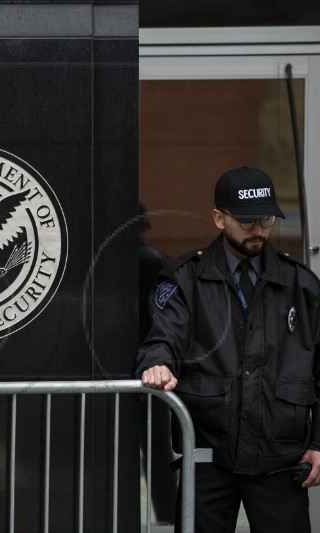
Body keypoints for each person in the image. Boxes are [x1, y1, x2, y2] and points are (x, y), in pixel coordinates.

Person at [136, 167, 320, 533]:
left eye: (266, 218)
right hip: (207, 455)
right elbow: (162, 337)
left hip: (281, 458)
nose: (259, 229)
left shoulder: (300, 284)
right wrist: (157, 363)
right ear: (219, 218)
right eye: (248, 220)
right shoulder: (186, 278)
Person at [137, 202, 177, 525]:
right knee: (157, 458)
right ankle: (168, 521)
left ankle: (167, 520)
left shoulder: (147, 262)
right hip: (150, 376)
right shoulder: (155, 261)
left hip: (145, 373)